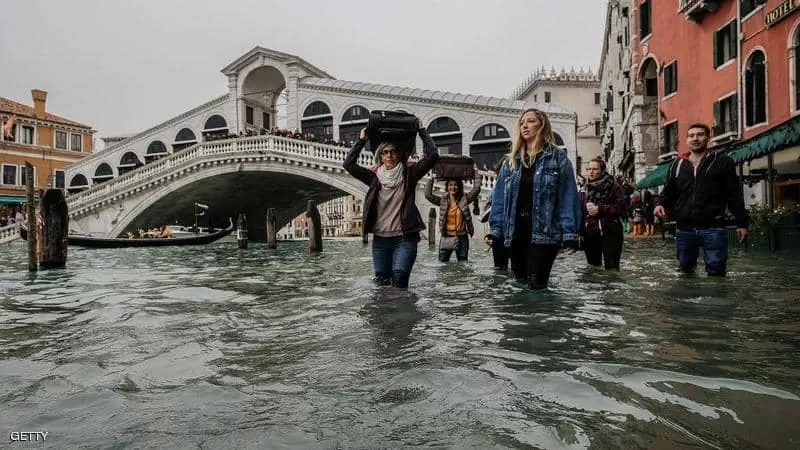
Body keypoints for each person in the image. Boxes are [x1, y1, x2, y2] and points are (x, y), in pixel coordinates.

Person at [485, 108, 582, 290]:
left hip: (545, 233)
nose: (525, 126)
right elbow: (499, 200)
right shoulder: (510, 162)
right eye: (522, 123)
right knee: (520, 284)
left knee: (537, 285)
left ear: (542, 125)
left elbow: (568, 197)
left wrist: (570, 233)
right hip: (516, 232)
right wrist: (496, 230)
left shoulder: (558, 158)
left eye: (530, 121)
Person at [343, 119, 438, 289]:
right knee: (382, 282)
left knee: (400, 279)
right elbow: (348, 164)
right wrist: (361, 140)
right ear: (380, 156)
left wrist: (422, 131)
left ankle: (403, 306)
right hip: (381, 240)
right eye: (385, 152)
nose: (389, 155)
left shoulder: (410, 174)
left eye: (393, 152)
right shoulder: (373, 177)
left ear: (400, 155)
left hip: (405, 238)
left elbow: (433, 156)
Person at [654, 123, 748, 276]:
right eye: (691, 136)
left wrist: (741, 223)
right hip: (684, 228)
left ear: (708, 138)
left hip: (713, 227)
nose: (695, 138)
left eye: (700, 135)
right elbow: (668, 191)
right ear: (686, 140)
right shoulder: (677, 164)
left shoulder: (722, 161)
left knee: (716, 272)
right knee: (685, 271)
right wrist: (660, 204)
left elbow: (734, 194)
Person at [424, 171, 482, 262]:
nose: (453, 187)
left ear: (459, 187)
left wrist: (476, 173)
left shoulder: (464, 200)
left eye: (455, 185)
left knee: (462, 265)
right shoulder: (442, 201)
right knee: (442, 264)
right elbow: (428, 195)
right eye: (450, 185)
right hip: (447, 237)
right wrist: (432, 178)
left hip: (462, 238)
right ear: (447, 187)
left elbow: (476, 189)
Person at [580, 158, 625, 270]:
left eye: (595, 169)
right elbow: (579, 210)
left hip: (611, 230)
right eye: (589, 169)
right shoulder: (583, 189)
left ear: (602, 170)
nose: (591, 172)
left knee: (612, 268)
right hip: (590, 231)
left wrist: (600, 209)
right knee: (593, 267)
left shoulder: (614, 186)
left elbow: (621, 208)